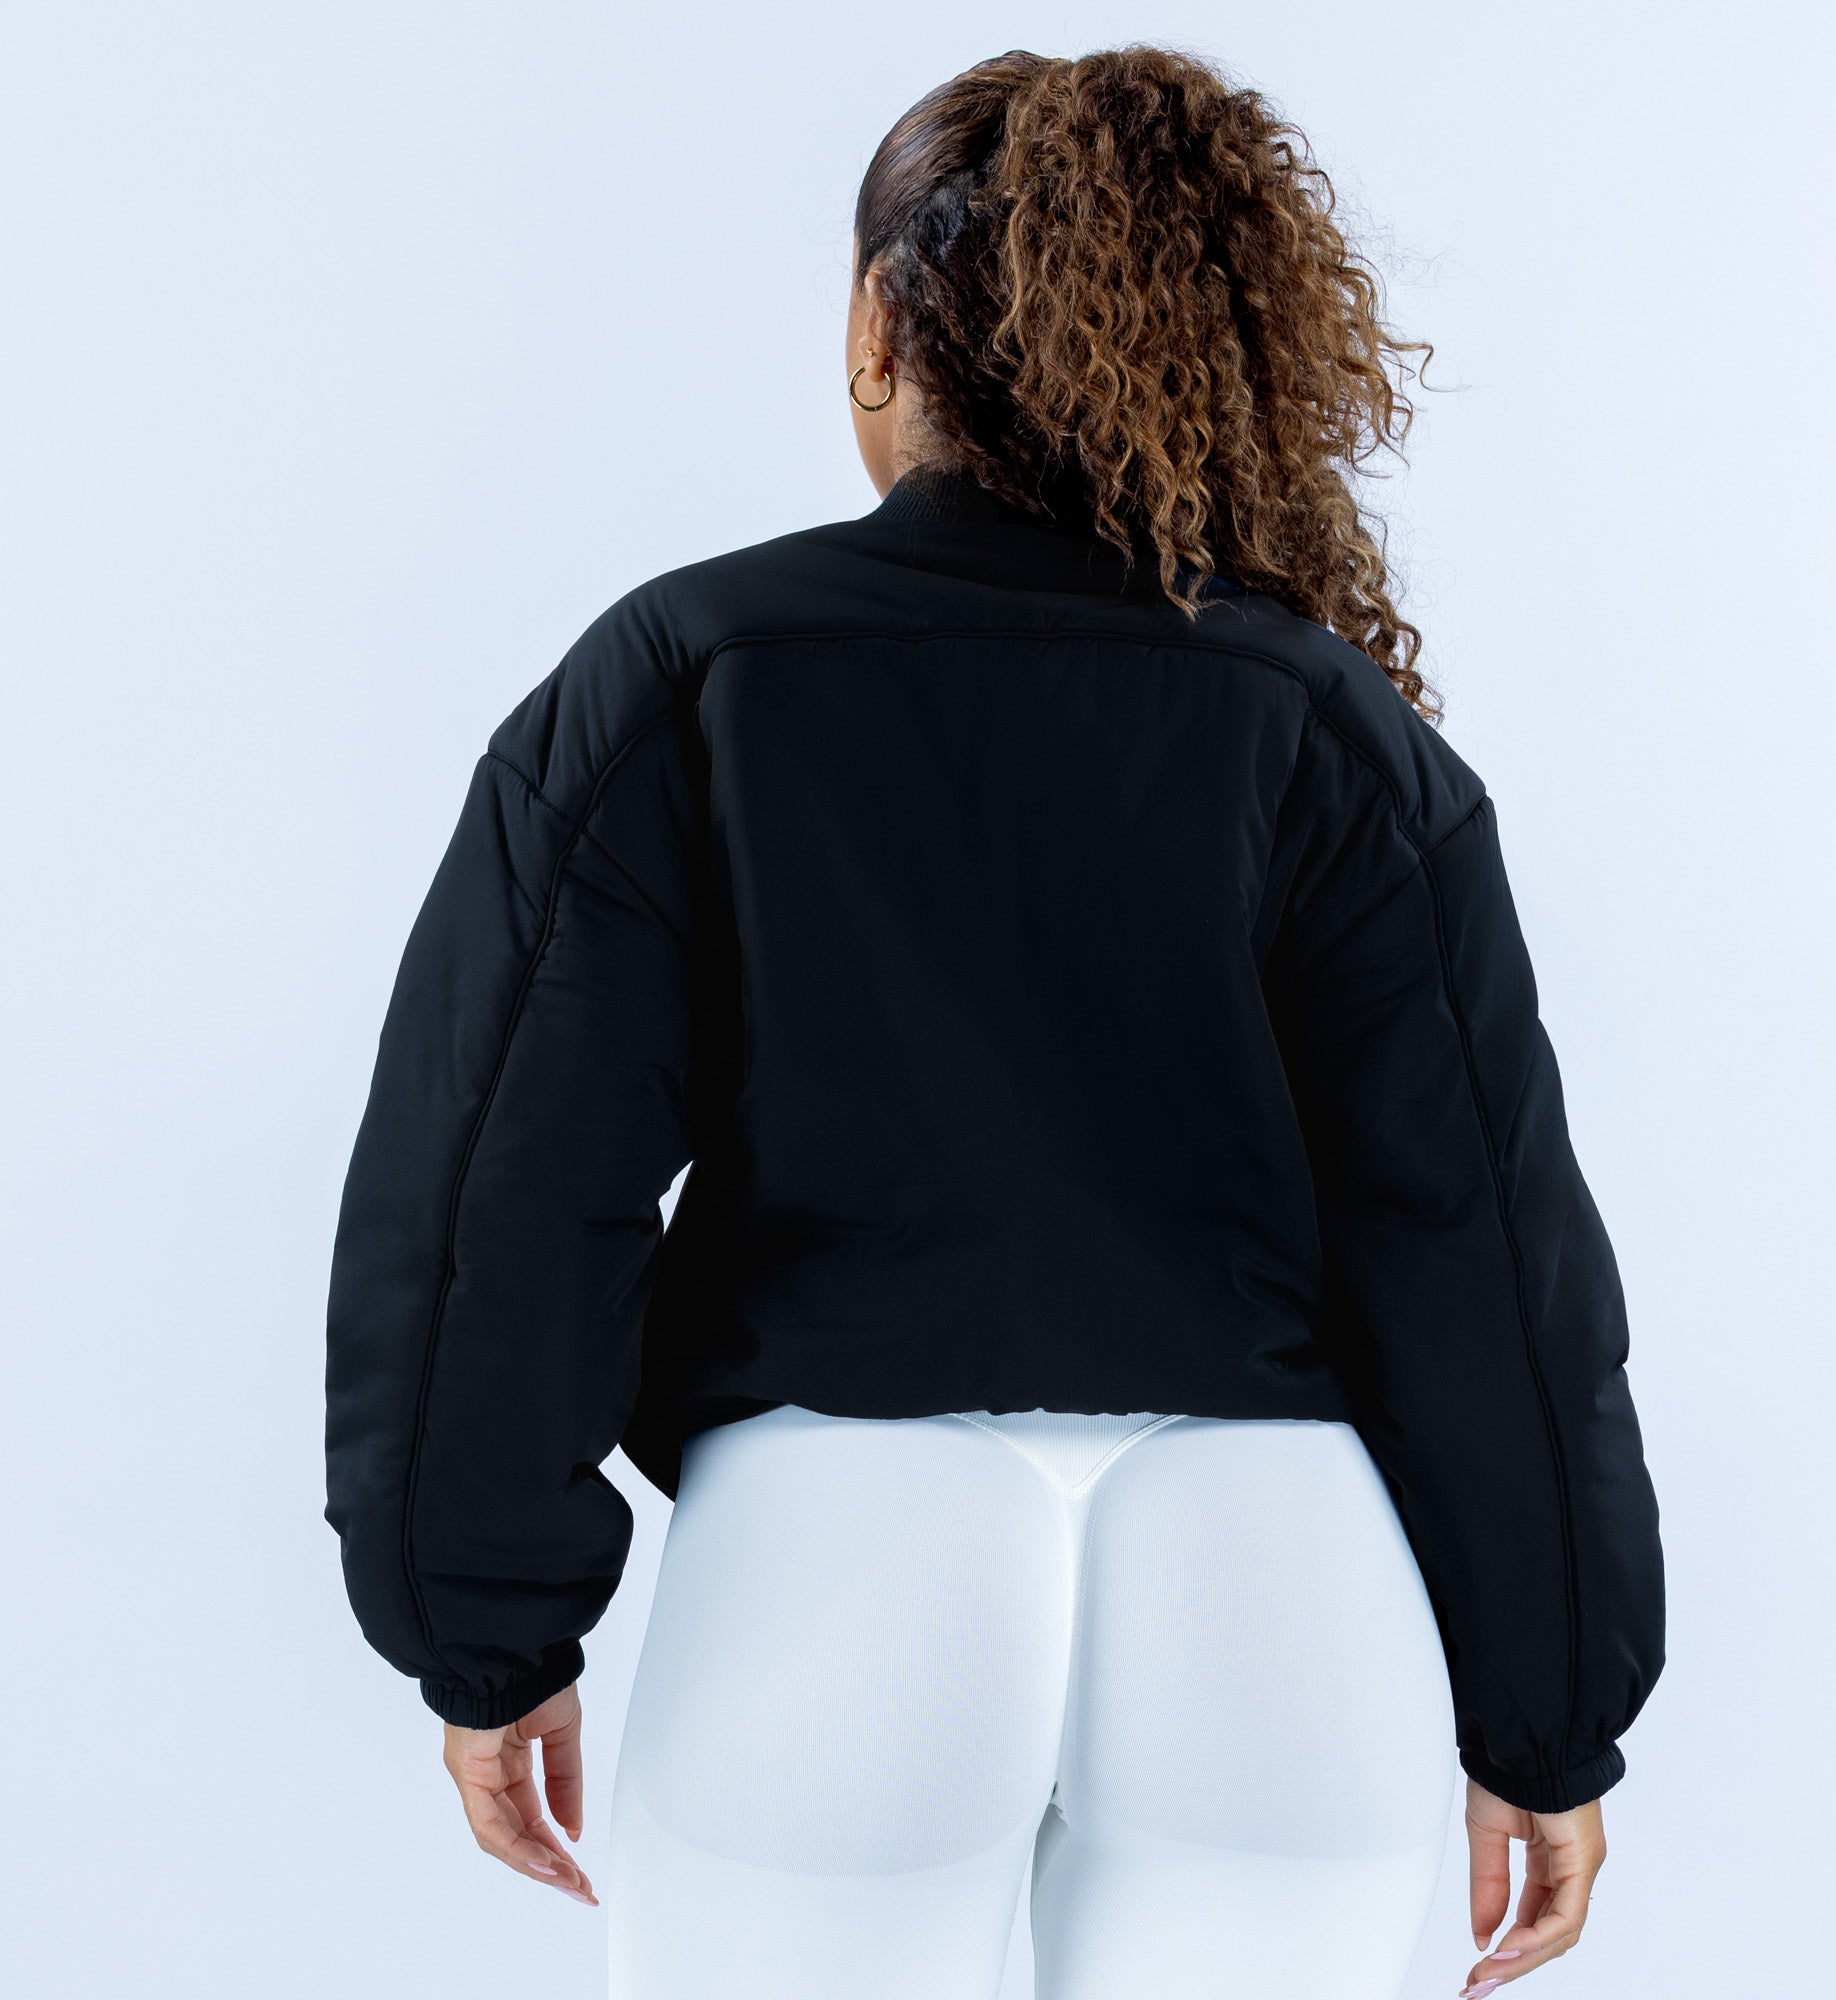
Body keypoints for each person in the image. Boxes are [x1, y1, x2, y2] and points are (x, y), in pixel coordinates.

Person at [323, 45, 1665, 2000]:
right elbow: (1479, 1246)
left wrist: (483, 1620)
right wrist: (1550, 1712)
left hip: (832, 1564)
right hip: (1279, 1589)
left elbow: (507, 1186)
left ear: (884, 323)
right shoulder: (1326, 724)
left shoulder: (692, 676)